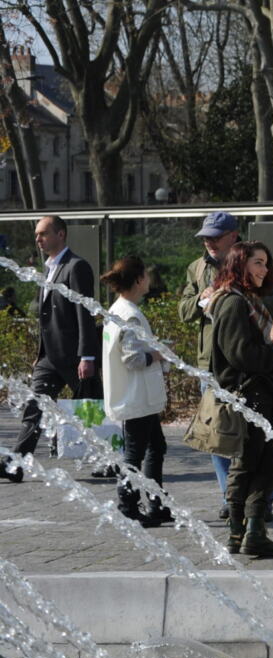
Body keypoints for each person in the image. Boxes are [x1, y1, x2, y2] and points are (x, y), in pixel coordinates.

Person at [178, 211, 273, 517]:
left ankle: (261, 499)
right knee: (220, 434)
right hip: (211, 365)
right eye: (206, 237)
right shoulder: (197, 268)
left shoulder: (257, 261)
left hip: (252, 364)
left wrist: (243, 295)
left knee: (260, 437)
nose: (209, 242)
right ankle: (232, 500)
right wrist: (204, 296)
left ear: (233, 236)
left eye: (216, 236)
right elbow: (184, 311)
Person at [4, 216, 100, 484]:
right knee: (35, 407)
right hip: (49, 357)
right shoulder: (48, 268)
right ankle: (16, 463)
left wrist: (87, 355)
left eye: (43, 234)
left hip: (73, 357)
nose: (38, 239)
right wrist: (40, 353)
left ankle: (114, 462)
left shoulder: (76, 267)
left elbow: (84, 312)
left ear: (61, 234)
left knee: (92, 409)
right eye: (37, 234)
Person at [210, 242, 273, 559]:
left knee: (266, 463)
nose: (264, 270)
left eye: (266, 264)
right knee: (247, 464)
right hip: (247, 395)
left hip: (260, 394)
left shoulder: (249, 301)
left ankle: (252, 531)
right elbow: (241, 355)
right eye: (258, 263)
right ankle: (238, 532)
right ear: (239, 265)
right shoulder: (233, 303)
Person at [101, 256, 170, 527]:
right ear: (139, 279)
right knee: (136, 452)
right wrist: (158, 355)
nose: (149, 280)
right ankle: (127, 505)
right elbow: (132, 359)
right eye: (146, 276)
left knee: (156, 447)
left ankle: (157, 503)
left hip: (138, 397)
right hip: (136, 396)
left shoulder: (119, 309)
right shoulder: (129, 314)